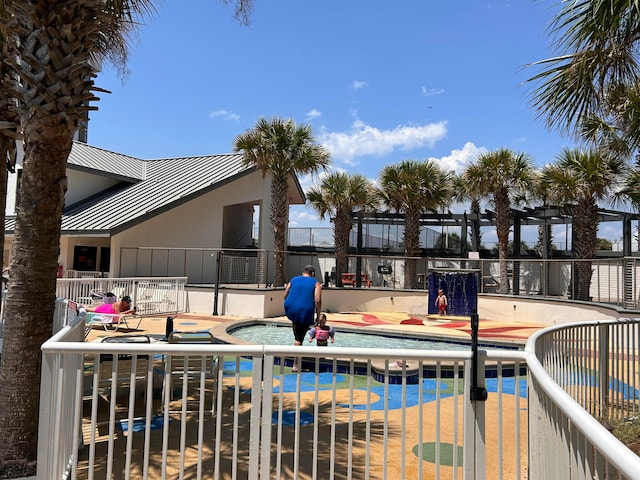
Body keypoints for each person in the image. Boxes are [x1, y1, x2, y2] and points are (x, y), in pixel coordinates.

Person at [283, 264, 322, 371]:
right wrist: (318, 317)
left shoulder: (294, 279)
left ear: (303, 272)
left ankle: (296, 358)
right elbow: (317, 300)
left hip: (290, 308)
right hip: (303, 310)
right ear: (313, 274)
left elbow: (285, 294)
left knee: (297, 333)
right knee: (299, 339)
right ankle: (295, 365)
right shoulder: (316, 283)